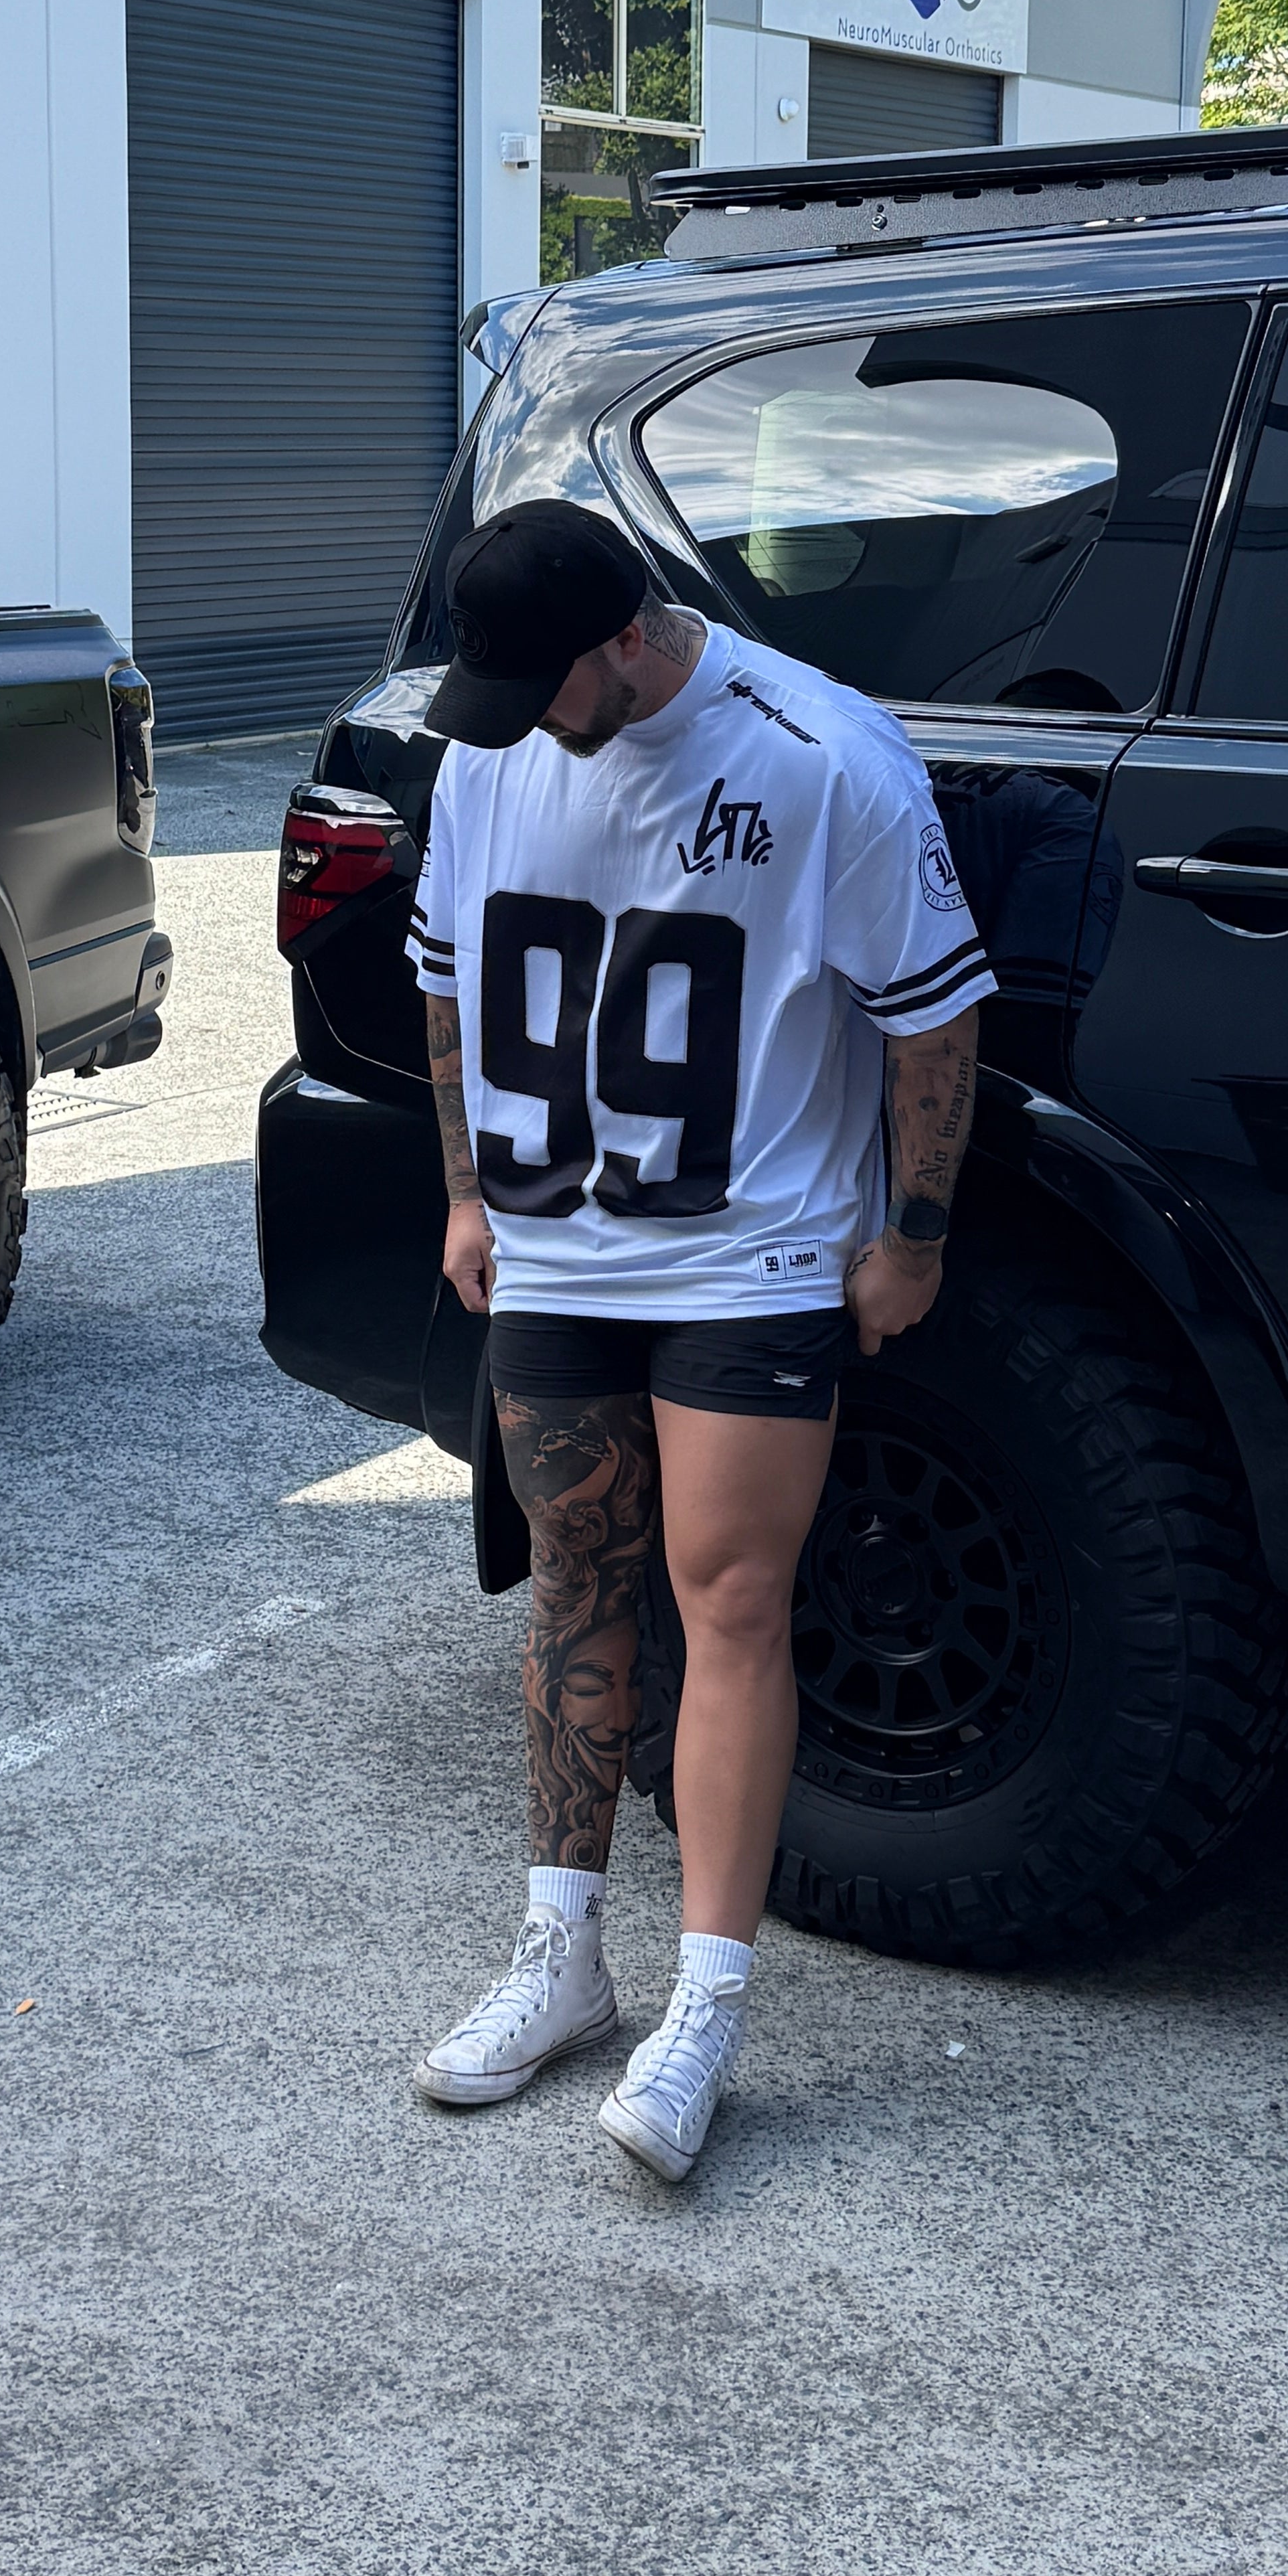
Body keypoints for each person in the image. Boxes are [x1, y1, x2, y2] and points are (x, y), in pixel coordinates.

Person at [405, 499, 992, 2180]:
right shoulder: (494, 748)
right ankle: (561, 1958)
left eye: (545, 682)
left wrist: (917, 1234)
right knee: (575, 1583)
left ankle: (707, 2005)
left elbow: (934, 1019)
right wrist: (462, 1195)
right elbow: (447, 976)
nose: (519, 720)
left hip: (751, 1248)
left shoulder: (824, 759)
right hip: (555, 1244)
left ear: (628, 639)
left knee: (729, 1603)